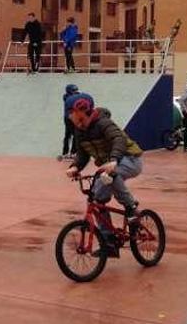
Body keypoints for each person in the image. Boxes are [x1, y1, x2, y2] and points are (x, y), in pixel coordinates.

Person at [64, 93, 144, 256]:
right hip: (108, 166)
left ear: (81, 110)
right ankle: (109, 242)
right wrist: (75, 167)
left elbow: (118, 140)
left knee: (110, 176)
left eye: (70, 112)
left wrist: (114, 159)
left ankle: (132, 209)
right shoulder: (80, 131)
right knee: (97, 199)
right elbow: (83, 154)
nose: (69, 116)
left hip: (129, 160)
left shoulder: (103, 123)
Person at [59, 84, 81, 161]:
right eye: (73, 90)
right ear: (69, 91)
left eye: (76, 90)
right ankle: (66, 153)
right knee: (69, 135)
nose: (75, 92)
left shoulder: (74, 96)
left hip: (74, 118)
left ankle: (72, 152)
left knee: (74, 135)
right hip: (69, 118)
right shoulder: (66, 97)